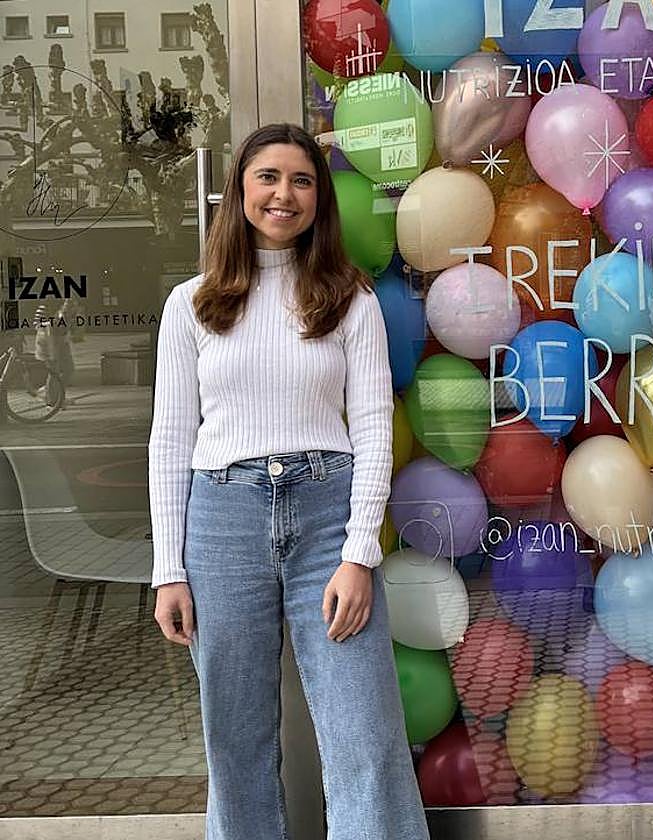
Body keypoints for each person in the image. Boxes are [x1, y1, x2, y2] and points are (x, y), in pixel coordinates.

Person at [149, 123, 429, 840]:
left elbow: (374, 429)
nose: (284, 194)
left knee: (363, 733)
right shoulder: (191, 304)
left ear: (319, 199)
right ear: (240, 189)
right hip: (222, 522)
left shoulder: (350, 300)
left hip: (327, 517)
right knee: (234, 738)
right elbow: (171, 439)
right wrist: (168, 569)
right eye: (268, 177)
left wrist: (359, 553)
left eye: (302, 180)